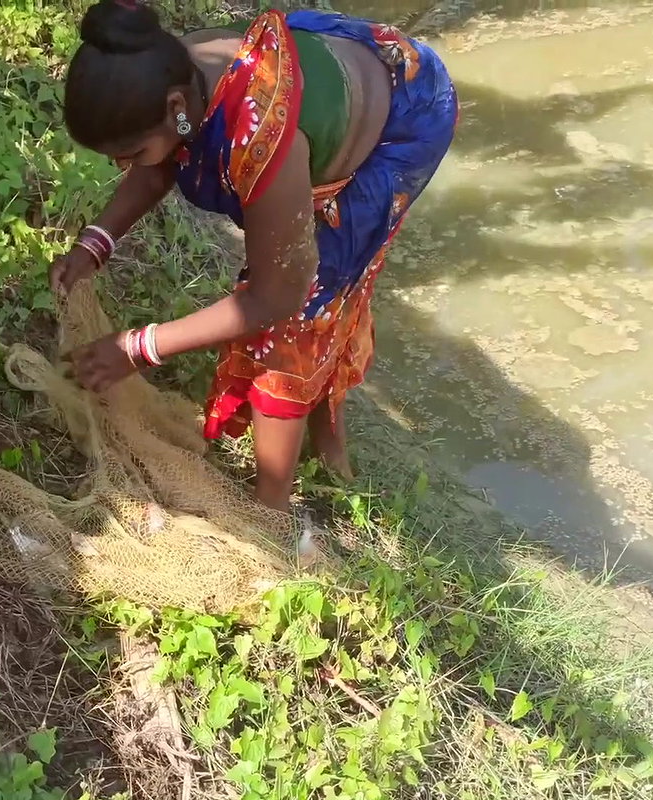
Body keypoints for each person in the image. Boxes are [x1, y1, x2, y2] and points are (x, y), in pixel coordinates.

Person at [53, 1, 459, 512]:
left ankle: (273, 508)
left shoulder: (264, 139)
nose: (120, 165)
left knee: (307, 311)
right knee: (314, 291)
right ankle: (324, 435)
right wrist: (95, 242)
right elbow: (162, 161)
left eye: (127, 152)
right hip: (328, 70)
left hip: (405, 111)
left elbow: (277, 295)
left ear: (178, 104)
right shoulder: (166, 76)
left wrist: (139, 347)